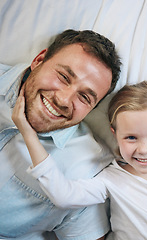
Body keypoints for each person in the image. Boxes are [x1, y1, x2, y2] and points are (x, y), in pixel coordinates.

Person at [13, 81, 147, 240]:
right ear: (115, 135)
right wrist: (29, 136)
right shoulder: (111, 177)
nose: (143, 149)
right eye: (131, 137)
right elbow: (63, 195)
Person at [0, 29, 121, 239]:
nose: (63, 100)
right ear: (38, 60)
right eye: (64, 77)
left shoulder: (86, 170)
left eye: (84, 97)